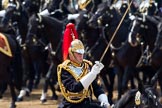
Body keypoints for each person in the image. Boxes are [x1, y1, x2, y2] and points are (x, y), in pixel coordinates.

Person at [57, 23, 110, 108]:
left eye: (82, 53)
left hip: (87, 104)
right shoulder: (65, 68)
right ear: (71, 53)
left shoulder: (86, 65)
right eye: (78, 54)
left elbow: (96, 88)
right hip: (71, 105)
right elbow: (74, 88)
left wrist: (104, 100)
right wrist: (92, 74)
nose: (81, 56)